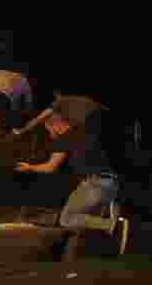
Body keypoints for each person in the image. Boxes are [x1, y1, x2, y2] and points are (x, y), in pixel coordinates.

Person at [14, 95, 118, 237]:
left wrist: (29, 167)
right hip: (112, 183)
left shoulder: (63, 139)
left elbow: (50, 167)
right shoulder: (85, 131)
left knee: (67, 219)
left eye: (49, 130)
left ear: (56, 125)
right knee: (83, 221)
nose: (50, 135)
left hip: (94, 184)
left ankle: (112, 224)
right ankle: (110, 227)